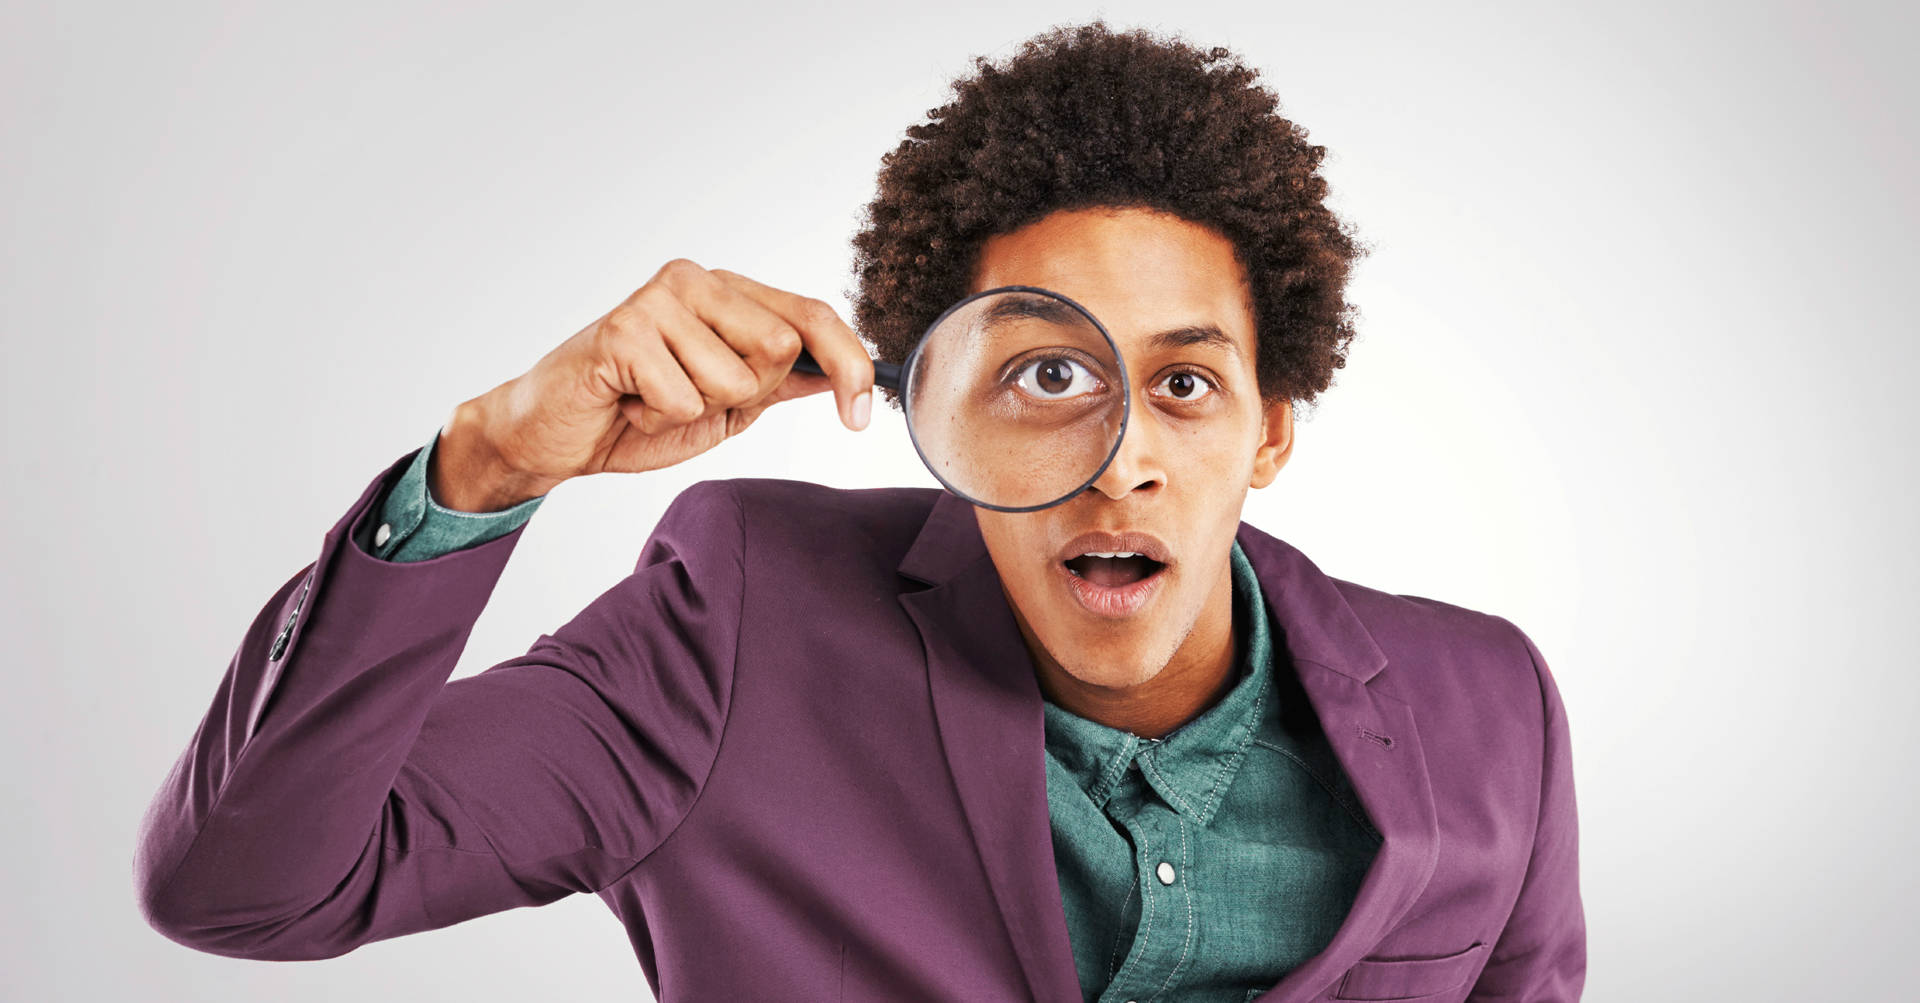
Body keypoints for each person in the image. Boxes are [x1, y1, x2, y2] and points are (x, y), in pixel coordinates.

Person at [133, 19, 1584, 1003]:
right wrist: (490, 467)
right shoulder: (736, 627)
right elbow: (247, 891)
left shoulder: (1489, 705)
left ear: (1271, 431)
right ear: (939, 410)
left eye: (1187, 386)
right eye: (1050, 373)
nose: (1119, 458)